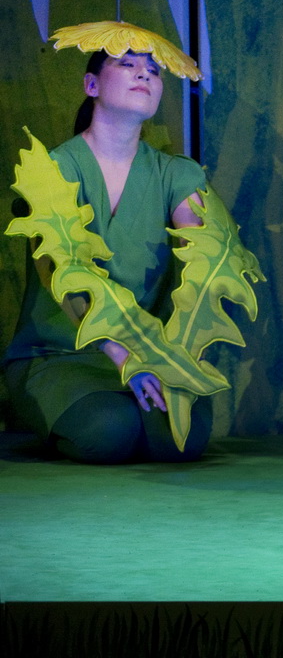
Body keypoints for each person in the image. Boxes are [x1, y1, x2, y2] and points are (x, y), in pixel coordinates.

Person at [5, 24, 235, 463]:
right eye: (126, 64)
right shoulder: (51, 171)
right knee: (110, 431)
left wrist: (168, 356)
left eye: (153, 70)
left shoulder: (177, 174)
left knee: (181, 439)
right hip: (61, 355)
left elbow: (204, 255)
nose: (143, 73)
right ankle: (55, 415)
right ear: (91, 85)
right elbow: (62, 273)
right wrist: (120, 353)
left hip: (150, 352)